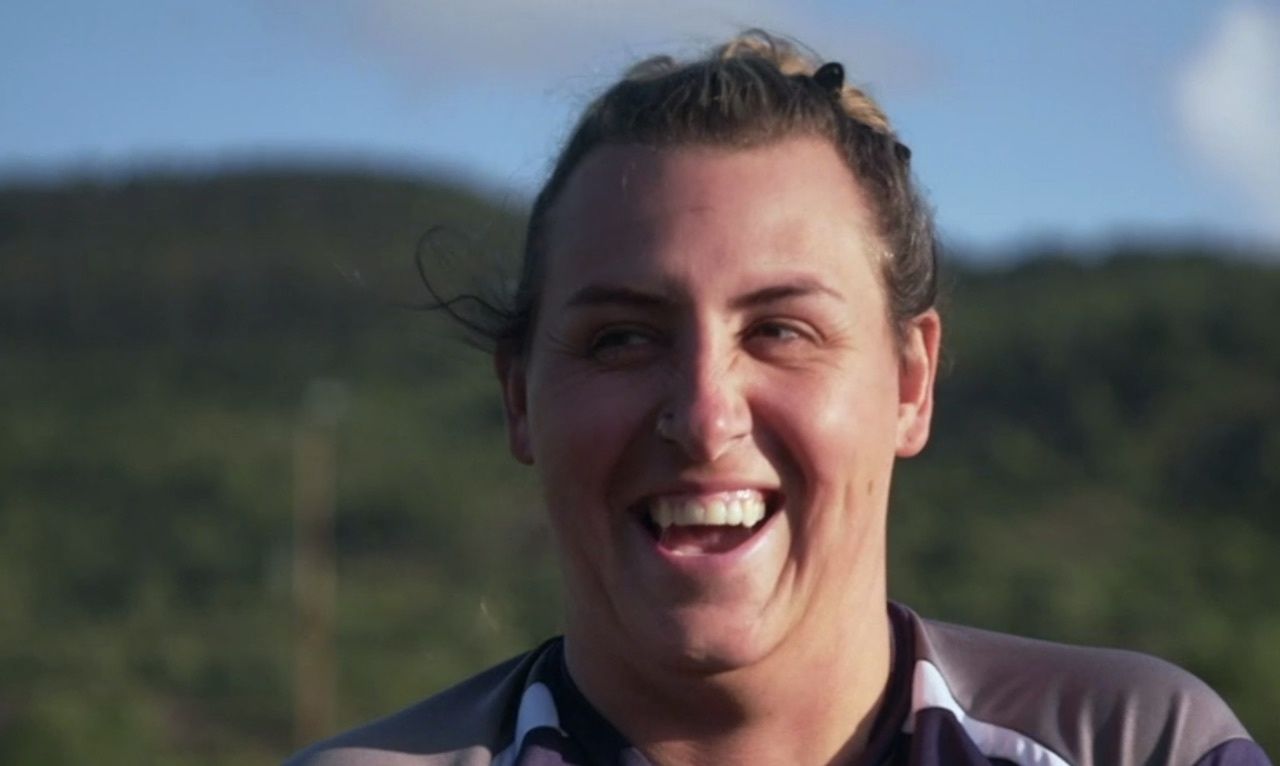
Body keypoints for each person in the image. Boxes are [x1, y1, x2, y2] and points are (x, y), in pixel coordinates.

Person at [286, 31, 1270, 766]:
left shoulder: (1138, 746)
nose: (704, 414)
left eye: (780, 330)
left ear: (910, 383)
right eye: (622, 338)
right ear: (519, 398)